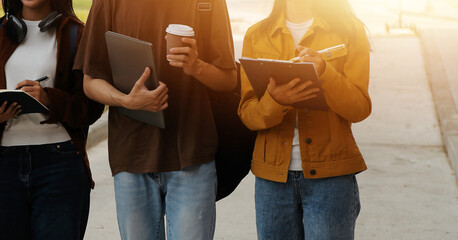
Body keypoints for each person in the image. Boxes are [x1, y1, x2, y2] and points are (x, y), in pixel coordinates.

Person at [75, 0, 238, 239]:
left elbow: (229, 79)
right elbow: (90, 81)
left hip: (191, 155)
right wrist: (126, 100)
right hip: (131, 157)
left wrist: (196, 66)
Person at [0, 0, 104, 238]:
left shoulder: (76, 34)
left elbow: (91, 108)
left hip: (59, 165)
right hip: (1, 167)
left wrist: (48, 99)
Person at [237, 0, 371, 239]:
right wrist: (275, 101)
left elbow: (359, 108)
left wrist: (324, 72)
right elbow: (248, 114)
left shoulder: (349, 31)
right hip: (272, 181)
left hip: (331, 177)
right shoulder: (256, 35)